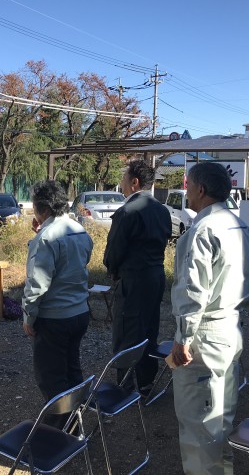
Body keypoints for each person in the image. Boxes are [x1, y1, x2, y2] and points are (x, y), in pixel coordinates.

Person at [168, 162, 249, 475]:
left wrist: (183, 338)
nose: (186, 191)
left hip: (204, 334)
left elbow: (193, 290)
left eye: (188, 185)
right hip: (230, 327)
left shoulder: (203, 229)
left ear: (201, 190)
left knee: (197, 424)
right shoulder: (237, 224)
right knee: (220, 418)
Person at [22, 180, 93, 428]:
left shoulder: (45, 239)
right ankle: (77, 422)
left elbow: (37, 285)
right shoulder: (78, 229)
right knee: (72, 368)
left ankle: (60, 430)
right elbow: (77, 261)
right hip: (80, 311)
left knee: (51, 376)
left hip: (55, 317)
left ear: (42, 209)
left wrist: (28, 317)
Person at [103, 159, 172, 393]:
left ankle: (126, 385)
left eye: (123, 179)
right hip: (156, 275)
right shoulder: (162, 210)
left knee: (126, 330)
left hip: (133, 278)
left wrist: (112, 269)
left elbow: (114, 251)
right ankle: (146, 380)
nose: (121, 183)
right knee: (149, 327)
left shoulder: (127, 211)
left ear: (134, 182)